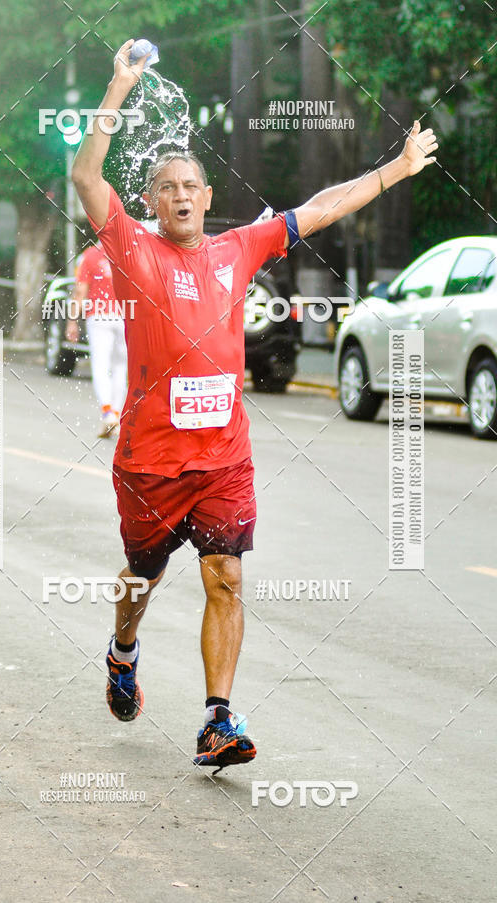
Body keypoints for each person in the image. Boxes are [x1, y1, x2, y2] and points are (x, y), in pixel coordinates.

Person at [72, 39, 438, 771]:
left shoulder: (239, 248)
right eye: (166, 185)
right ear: (149, 201)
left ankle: (216, 718)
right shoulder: (134, 251)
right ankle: (122, 650)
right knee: (143, 579)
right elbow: (85, 173)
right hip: (150, 463)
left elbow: (322, 207)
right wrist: (117, 89)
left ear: (207, 198)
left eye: (191, 185)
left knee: (227, 575)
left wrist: (395, 170)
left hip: (222, 460)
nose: (179, 193)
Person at [65, 241, 127, 437]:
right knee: (120, 368)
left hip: (98, 316)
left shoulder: (90, 255)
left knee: (101, 366)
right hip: (126, 315)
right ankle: (116, 416)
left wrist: (72, 321)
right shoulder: (126, 252)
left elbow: (80, 292)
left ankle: (108, 412)